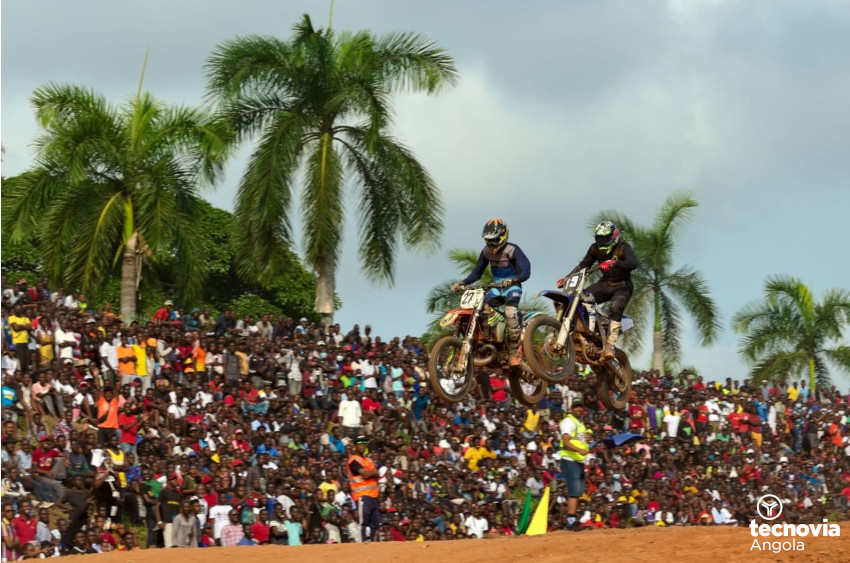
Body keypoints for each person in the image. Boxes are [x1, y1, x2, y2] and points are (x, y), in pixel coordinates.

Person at [450, 218, 531, 365]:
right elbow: (477, 272)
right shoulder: (486, 252)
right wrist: (462, 283)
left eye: (495, 239)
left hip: (512, 286)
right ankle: (486, 340)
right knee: (481, 310)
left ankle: (514, 349)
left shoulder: (512, 250)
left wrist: (514, 280)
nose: (492, 244)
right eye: (489, 240)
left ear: (503, 236)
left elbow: (526, 270)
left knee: (509, 311)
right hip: (495, 287)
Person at [559, 221, 638, 359]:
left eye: (605, 238)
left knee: (615, 307)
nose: (602, 242)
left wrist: (614, 262)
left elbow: (633, 263)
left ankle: (610, 344)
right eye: (599, 238)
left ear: (613, 237)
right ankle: (583, 330)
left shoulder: (623, 247)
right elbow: (584, 265)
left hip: (622, 285)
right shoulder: (594, 248)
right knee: (579, 298)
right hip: (605, 284)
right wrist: (567, 277)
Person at [559, 396, 593, 531]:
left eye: (580, 406)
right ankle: (571, 521)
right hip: (570, 459)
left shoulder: (580, 424)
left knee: (577, 492)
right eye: (576, 407)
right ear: (571, 409)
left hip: (578, 460)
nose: (579, 409)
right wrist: (580, 450)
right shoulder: (568, 421)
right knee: (574, 491)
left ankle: (573, 519)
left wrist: (587, 438)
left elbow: (580, 439)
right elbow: (566, 442)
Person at [346, 435, 381, 542]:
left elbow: (377, 473)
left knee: (375, 523)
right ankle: (362, 544)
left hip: (374, 496)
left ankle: (373, 543)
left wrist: (372, 473)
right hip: (363, 496)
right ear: (355, 446)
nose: (362, 446)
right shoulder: (353, 460)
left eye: (364, 443)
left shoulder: (368, 460)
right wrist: (372, 473)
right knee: (364, 522)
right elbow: (365, 473)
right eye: (359, 444)